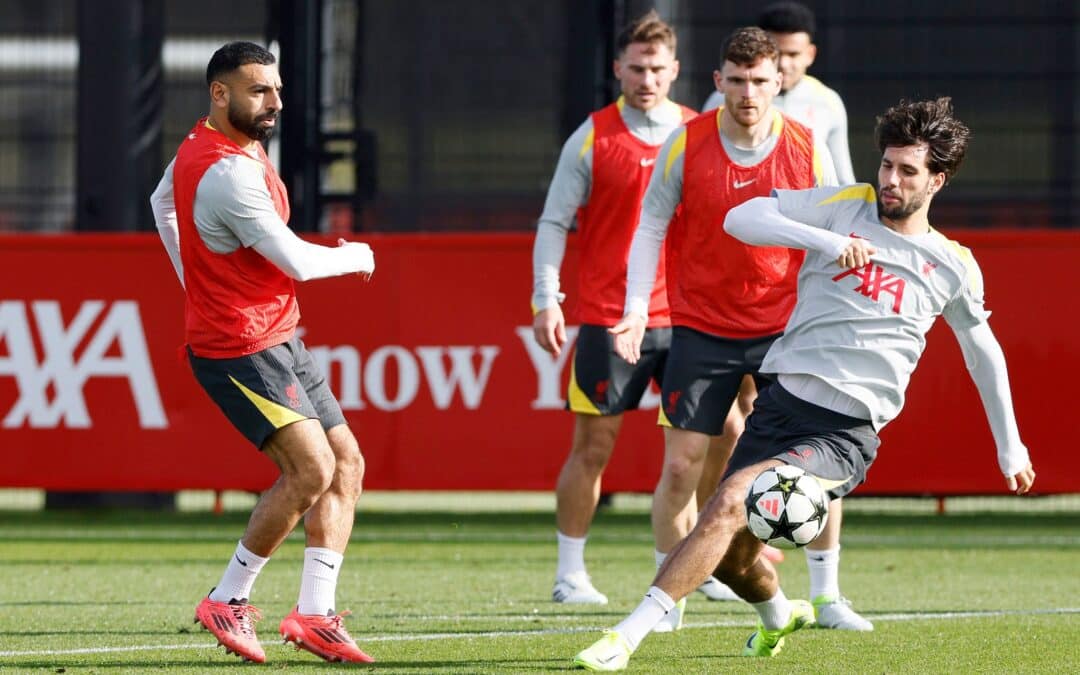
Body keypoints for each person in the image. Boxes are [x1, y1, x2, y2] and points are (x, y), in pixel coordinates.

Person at [573, 97, 1036, 670]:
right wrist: (826, 243)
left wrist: (1009, 444)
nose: (890, 180)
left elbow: (982, 351)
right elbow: (739, 218)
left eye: (907, 171)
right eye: (887, 165)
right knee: (730, 557)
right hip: (781, 406)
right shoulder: (846, 208)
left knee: (729, 502)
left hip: (845, 434)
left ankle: (627, 635)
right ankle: (779, 615)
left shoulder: (951, 263)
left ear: (937, 180)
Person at [150, 41, 376, 664]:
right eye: (259, 90)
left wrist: (192, 281)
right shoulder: (227, 173)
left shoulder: (215, 146)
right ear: (218, 94)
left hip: (276, 333)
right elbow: (299, 260)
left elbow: (161, 204)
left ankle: (313, 614)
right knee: (311, 471)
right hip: (238, 346)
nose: (275, 102)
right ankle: (229, 598)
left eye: (276, 89)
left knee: (347, 463)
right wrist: (358, 254)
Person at [605, 26, 837, 630]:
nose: (748, 92)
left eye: (760, 80)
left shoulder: (808, 147)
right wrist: (636, 307)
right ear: (717, 83)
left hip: (783, 330)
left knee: (810, 461)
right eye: (736, 80)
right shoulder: (687, 143)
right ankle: (669, 593)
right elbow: (650, 226)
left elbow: (836, 235)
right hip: (701, 327)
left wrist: (825, 318)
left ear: (779, 80)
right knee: (681, 465)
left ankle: (829, 595)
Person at [698, 1, 868, 631]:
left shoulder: (822, 110)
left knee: (822, 432)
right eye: (774, 57)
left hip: (799, 303)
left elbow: (845, 190)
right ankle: (725, 557)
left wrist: (843, 262)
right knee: (725, 436)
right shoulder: (719, 114)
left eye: (792, 58)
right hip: (726, 303)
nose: (779, 71)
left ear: (805, 59)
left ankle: (826, 594)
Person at [531, 11, 704, 612]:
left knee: (708, 443)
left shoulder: (699, 132)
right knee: (593, 448)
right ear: (618, 70)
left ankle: (701, 561)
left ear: (675, 70)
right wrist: (546, 297)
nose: (647, 78)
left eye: (658, 68)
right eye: (636, 67)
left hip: (689, 318)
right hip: (611, 317)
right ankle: (569, 573)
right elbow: (554, 221)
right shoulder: (593, 136)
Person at [703, 1, 854, 184]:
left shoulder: (828, 103)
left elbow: (843, 182)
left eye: (793, 54)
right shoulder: (722, 99)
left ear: (810, 54)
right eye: (777, 54)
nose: (783, 64)